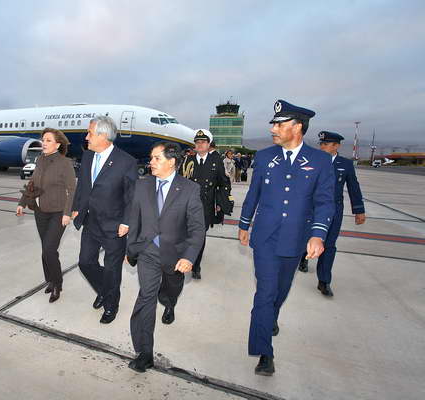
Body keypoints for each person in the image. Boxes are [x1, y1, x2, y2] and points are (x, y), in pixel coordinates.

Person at [238, 100, 335, 376]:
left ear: (298, 127)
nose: (273, 129)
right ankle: (264, 353)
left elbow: (325, 201)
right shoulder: (264, 157)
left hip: (295, 238)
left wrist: (318, 235)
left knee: (280, 290)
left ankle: (272, 316)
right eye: (274, 124)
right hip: (265, 237)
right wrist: (244, 223)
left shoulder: (320, 161)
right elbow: (254, 192)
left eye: (280, 124)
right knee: (265, 293)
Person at [126, 142, 205, 372]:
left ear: (172, 162)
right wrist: (131, 249)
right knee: (145, 297)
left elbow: (197, 229)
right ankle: (144, 353)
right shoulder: (142, 185)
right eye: (151, 158)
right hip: (147, 251)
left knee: (171, 289)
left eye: (156, 158)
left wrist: (189, 257)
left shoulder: (189, 189)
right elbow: (134, 219)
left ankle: (169, 303)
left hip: (175, 255)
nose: (151, 162)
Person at [72, 116, 138, 324]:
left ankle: (111, 305)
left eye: (90, 133)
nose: (86, 137)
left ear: (103, 135)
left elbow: (132, 196)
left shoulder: (126, 162)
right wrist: (76, 208)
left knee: (112, 269)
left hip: (114, 225)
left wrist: (126, 222)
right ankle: (104, 290)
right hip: (90, 221)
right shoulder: (87, 157)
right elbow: (82, 186)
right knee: (85, 262)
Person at [297, 131, 366, 297]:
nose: (322, 147)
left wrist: (359, 210)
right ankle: (303, 258)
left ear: (336, 146)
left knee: (329, 244)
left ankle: (324, 281)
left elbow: (353, 187)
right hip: (312, 208)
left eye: (326, 144)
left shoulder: (345, 164)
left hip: (334, 210)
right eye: (321, 144)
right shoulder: (312, 161)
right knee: (308, 237)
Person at [16, 128, 76, 303]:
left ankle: (57, 284)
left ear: (57, 145)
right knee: (45, 250)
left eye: (48, 140)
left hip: (58, 213)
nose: (44, 143)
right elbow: (32, 183)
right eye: (43, 140)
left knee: (50, 249)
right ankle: (50, 280)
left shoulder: (65, 163)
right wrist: (22, 202)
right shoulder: (40, 159)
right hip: (40, 211)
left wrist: (67, 213)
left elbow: (72, 190)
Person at [178, 129, 231, 280]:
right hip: (187, 206)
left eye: (203, 142)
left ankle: (196, 266)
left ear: (208, 144)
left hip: (205, 207)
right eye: (197, 142)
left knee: (199, 237)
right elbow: (179, 182)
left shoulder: (216, 161)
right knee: (184, 235)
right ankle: (184, 259)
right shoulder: (188, 161)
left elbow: (224, 183)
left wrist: (221, 203)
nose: (200, 144)